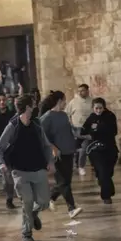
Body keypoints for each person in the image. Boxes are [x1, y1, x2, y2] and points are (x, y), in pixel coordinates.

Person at [0, 95, 53, 241]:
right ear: (27, 107)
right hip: (19, 171)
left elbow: (46, 145)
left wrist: (50, 161)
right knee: (27, 201)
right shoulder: (13, 125)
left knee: (44, 202)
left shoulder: (37, 124)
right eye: (33, 105)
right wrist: (1, 164)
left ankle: (33, 213)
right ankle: (26, 233)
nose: (35, 107)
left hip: (39, 168)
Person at [40, 91, 83, 219]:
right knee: (63, 181)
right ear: (59, 101)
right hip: (57, 154)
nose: (66, 102)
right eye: (65, 100)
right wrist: (53, 147)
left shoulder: (64, 115)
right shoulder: (47, 117)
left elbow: (70, 131)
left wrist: (81, 134)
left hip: (69, 151)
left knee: (66, 181)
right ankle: (72, 208)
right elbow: (41, 136)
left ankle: (50, 198)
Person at [82, 98, 118, 204]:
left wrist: (96, 129)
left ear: (104, 107)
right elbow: (85, 130)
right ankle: (106, 196)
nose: (98, 110)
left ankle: (106, 186)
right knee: (103, 171)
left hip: (109, 148)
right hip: (95, 150)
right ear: (93, 108)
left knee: (107, 173)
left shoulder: (110, 116)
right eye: (96, 108)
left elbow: (113, 131)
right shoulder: (91, 117)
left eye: (100, 108)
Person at [65, 84, 93, 175]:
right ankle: (76, 165)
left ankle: (81, 166)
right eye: (79, 91)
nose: (80, 92)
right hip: (76, 129)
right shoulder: (73, 102)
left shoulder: (92, 101)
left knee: (84, 148)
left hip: (87, 129)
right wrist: (70, 124)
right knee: (76, 149)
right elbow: (67, 113)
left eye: (83, 90)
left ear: (87, 91)